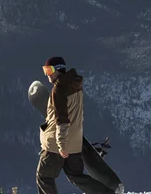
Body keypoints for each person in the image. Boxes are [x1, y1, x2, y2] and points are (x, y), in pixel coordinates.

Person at [37, 57, 117, 194]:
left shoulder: (58, 90)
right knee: (76, 176)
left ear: (58, 69)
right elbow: (78, 115)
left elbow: (62, 120)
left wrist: (61, 144)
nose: (47, 74)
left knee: (43, 176)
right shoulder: (76, 86)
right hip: (74, 144)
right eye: (45, 71)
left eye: (49, 70)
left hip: (56, 145)